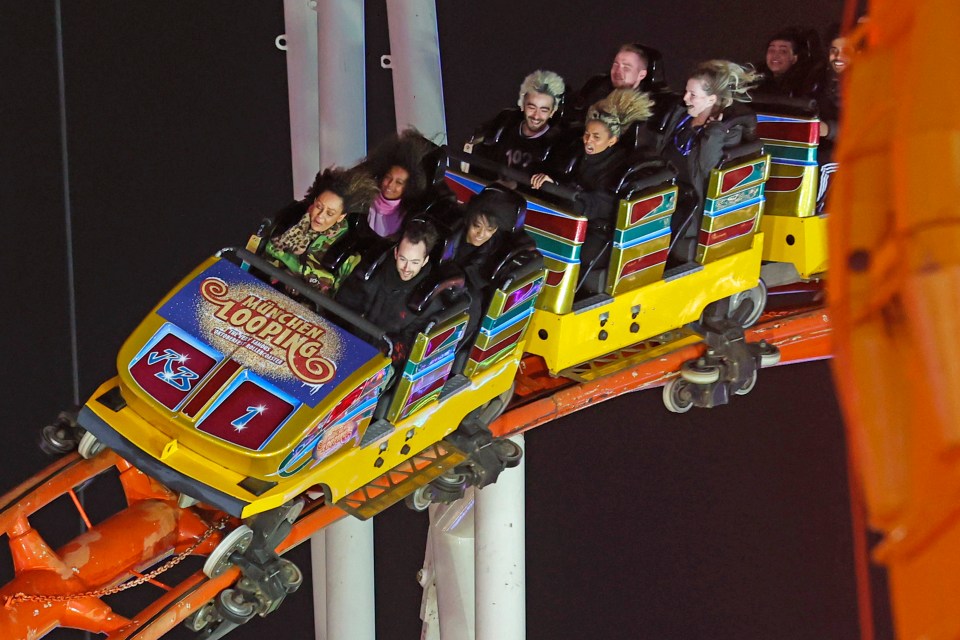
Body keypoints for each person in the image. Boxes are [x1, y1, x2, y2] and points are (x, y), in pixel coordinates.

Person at [531, 88, 654, 282]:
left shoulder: (618, 167)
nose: (588, 140)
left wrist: (568, 195)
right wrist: (552, 183)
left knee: (571, 259)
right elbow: (571, 182)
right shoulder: (580, 155)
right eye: (587, 134)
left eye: (596, 137)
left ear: (612, 140)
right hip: (572, 215)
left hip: (598, 227)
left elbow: (600, 203)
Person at [656, 60, 759, 262]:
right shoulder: (683, 116)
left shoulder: (726, 130)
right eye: (686, 92)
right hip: (667, 186)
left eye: (692, 95)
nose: (685, 98)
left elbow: (707, 168)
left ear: (711, 99)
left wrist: (714, 132)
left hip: (692, 197)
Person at [336, 219, 443, 360]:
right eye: (403, 259)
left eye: (414, 262)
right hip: (348, 341)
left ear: (425, 261)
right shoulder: (372, 272)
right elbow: (344, 303)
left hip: (383, 360)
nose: (406, 268)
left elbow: (408, 347)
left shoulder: (427, 300)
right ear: (396, 253)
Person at [265, 167, 378, 291]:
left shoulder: (347, 250)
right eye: (319, 207)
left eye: (330, 213)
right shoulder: (293, 219)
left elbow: (340, 298)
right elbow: (266, 253)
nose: (320, 216)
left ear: (341, 217)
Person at [358, 129, 435, 238]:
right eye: (388, 177)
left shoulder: (408, 216)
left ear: (408, 186)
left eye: (399, 182)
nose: (390, 184)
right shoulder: (366, 197)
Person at [754, 28, 820, 98]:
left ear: (794, 58)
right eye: (771, 50)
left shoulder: (801, 88)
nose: (775, 55)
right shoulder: (756, 79)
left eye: (783, 51)